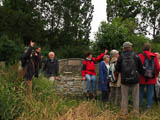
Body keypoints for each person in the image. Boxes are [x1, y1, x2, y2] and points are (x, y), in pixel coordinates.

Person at [116, 41, 143, 117]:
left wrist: (122, 72)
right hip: (135, 79)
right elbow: (141, 68)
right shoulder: (136, 56)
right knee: (135, 97)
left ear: (124, 48)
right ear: (130, 47)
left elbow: (117, 68)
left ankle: (124, 113)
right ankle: (136, 114)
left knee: (124, 97)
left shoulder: (120, 56)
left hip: (124, 80)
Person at [139, 43, 160, 109]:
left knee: (140, 92)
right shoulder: (154, 56)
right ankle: (148, 106)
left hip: (141, 77)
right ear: (150, 49)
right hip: (152, 78)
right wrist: (155, 75)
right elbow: (158, 67)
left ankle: (139, 105)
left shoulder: (140, 56)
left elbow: (137, 67)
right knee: (150, 93)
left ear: (143, 49)